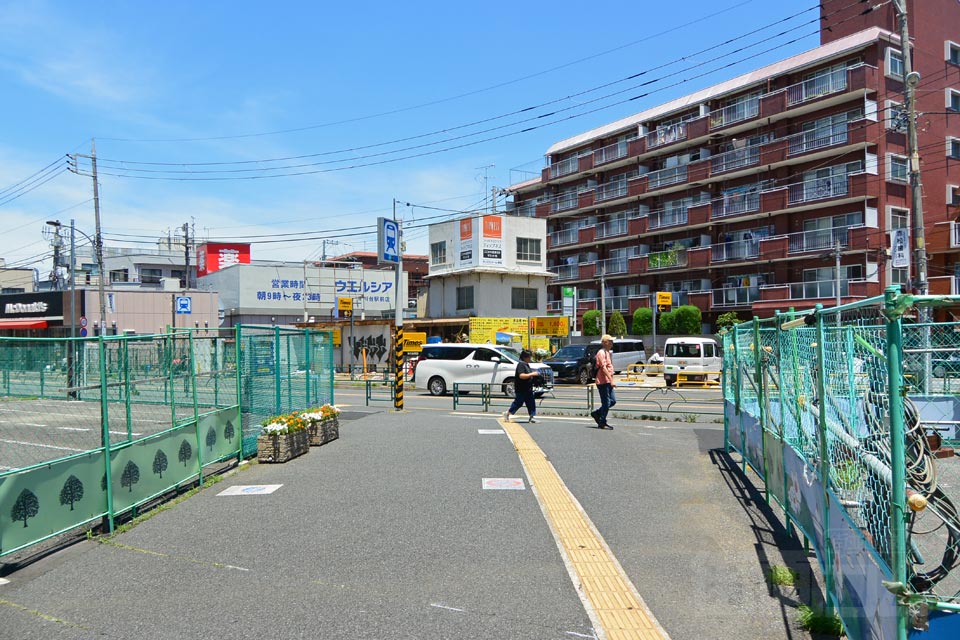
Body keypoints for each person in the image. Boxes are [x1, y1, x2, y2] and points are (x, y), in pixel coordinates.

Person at [503, 350, 541, 423]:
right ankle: (507, 413)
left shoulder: (526, 364)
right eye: (529, 357)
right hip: (521, 388)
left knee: (531, 402)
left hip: (528, 388)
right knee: (518, 402)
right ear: (525, 357)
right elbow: (521, 375)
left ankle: (532, 417)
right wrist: (532, 374)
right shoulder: (521, 364)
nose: (530, 359)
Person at [591, 334, 617, 429]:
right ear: (605, 342)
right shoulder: (601, 353)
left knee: (612, 401)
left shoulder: (607, 352)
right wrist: (611, 380)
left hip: (608, 381)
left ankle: (597, 413)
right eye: (610, 341)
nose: (612, 343)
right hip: (602, 381)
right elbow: (603, 368)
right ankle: (602, 422)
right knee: (606, 403)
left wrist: (611, 380)